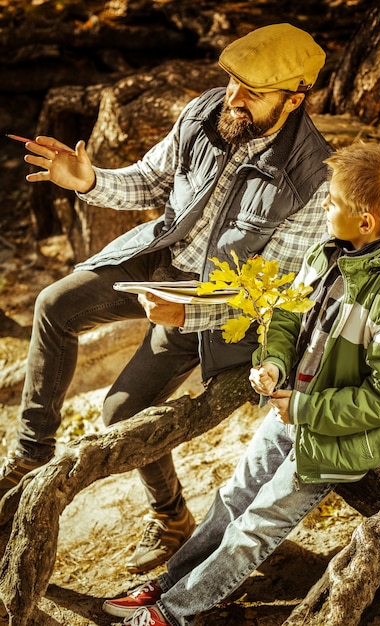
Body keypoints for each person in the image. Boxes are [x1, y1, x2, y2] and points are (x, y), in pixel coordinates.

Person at [0, 23, 332, 573]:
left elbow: (280, 295)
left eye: (253, 91)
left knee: (121, 412)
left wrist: (190, 312)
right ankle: (31, 455)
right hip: (158, 258)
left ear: (294, 99)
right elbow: (152, 181)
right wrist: (88, 181)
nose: (234, 97)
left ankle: (171, 520)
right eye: (231, 82)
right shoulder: (207, 112)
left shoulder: (314, 178)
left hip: (213, 300)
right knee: (53, 305)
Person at [101, 141, 380, 626]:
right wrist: (272, 363)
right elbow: (288, 318)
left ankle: (174, 612)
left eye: (330, 202)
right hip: (293, 406)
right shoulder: (326, 252)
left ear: (366, 223)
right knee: (233, 498)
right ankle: (172, 584)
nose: (324, 207)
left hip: (344, 435)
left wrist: (306, 407)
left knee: (258, 523)